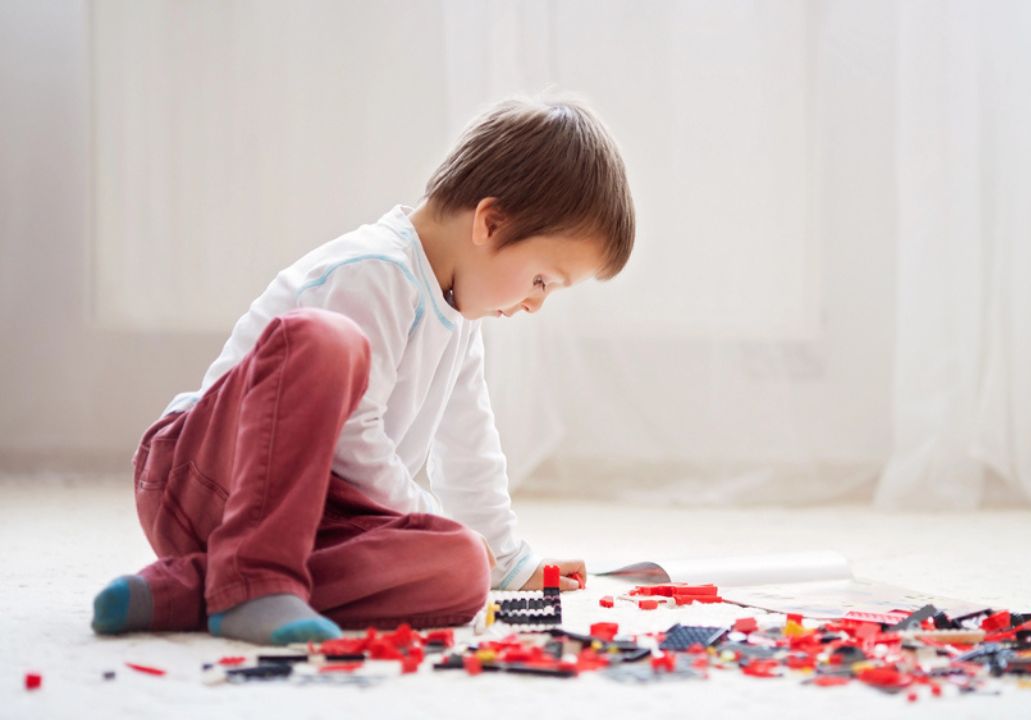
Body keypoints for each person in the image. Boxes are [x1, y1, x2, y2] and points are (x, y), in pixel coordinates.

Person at [90, 96, 635, 645]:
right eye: (542, 280)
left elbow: (469, 446)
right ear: (490, 223)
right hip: (206, 478)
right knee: (324, 341)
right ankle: (252, 577)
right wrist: (424, 514)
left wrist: (507, 559)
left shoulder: (461, 320)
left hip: (311, 518)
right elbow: (354, 439)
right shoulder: (374, 270)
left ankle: (197, 589)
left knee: (462, 566)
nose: (536, 304)